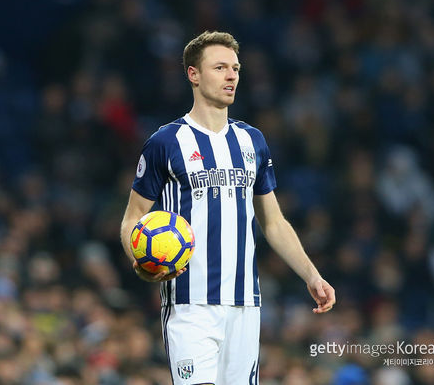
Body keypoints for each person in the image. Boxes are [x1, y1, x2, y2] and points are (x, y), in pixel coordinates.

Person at [119, 31, 336, 384]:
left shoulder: (252, 140)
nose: (231, 75)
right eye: (220, 67)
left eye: (235, 68)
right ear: (193, 74)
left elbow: (273, 222)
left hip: (245, 305)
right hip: (189, 303)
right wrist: (140, 260)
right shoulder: (166, 142)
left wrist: (312, 275)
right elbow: (132, 218)